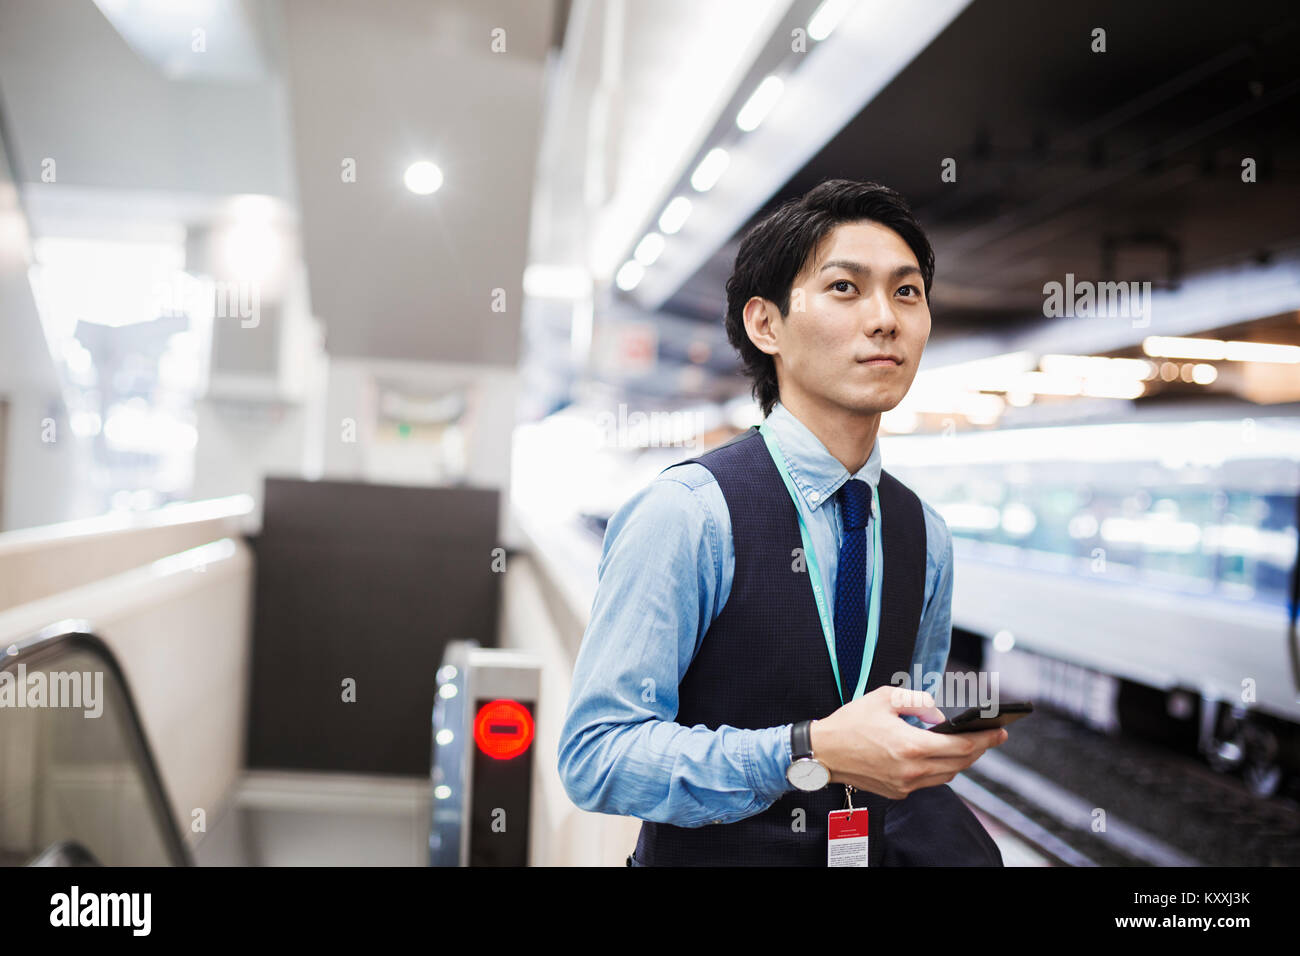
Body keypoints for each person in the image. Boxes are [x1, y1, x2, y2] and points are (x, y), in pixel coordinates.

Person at [557, 179, 1008, 866]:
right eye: (844, 289)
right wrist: (807, 752)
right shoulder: (688, 514)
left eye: (907, 292)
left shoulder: (925, 534)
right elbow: (598, 756)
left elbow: (898, 719)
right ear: (765, 324)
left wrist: (919, 752)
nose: (885, 318)